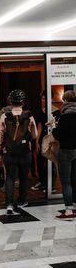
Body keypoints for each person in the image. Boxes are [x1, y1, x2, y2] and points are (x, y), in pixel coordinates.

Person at [0, 90, 38, 216]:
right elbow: (35, 135)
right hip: (25, 152)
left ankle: (9, 204)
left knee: (10, 178)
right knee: (24, 178)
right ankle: (22, 201)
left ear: (10, 101)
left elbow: (0, 135)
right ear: (23, 102)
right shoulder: (29, 116)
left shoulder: (5, 116)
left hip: (10, 152)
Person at [52, 90, 76, 219]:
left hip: (66, 151)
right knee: (75, 180)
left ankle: (68, 210)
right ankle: (74, 207)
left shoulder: (65, 116)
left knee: (66, 182)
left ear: (65, 101)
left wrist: (54, 129)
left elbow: (59, 135)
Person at [32, 91, 59, 193]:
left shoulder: (56, 111)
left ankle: (51, 185)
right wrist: (37, 141)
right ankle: (42, 182)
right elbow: (39, 127)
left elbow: (57, 127)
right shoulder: (39, 111)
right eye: (42, 99)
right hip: (43, 138)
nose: (43, 101)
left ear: (51, 99)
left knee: (51, 162)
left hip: (52, 139)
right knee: (40, 162)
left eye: (45, 99)